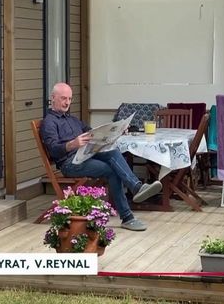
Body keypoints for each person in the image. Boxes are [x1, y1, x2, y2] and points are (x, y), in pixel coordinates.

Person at [40, 82, 162, 231]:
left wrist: (115, 132)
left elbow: (93, 132)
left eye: (70, 99)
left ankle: (136, 188)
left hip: (86, 156)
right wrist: (72, 144)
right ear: (53, 98)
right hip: (70, 163)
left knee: (113, 152)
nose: (67, 102)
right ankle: (128, 216)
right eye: (64, 98)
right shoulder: (49, 122)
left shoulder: (71, 119)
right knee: (111, 170)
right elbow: (53, 150)